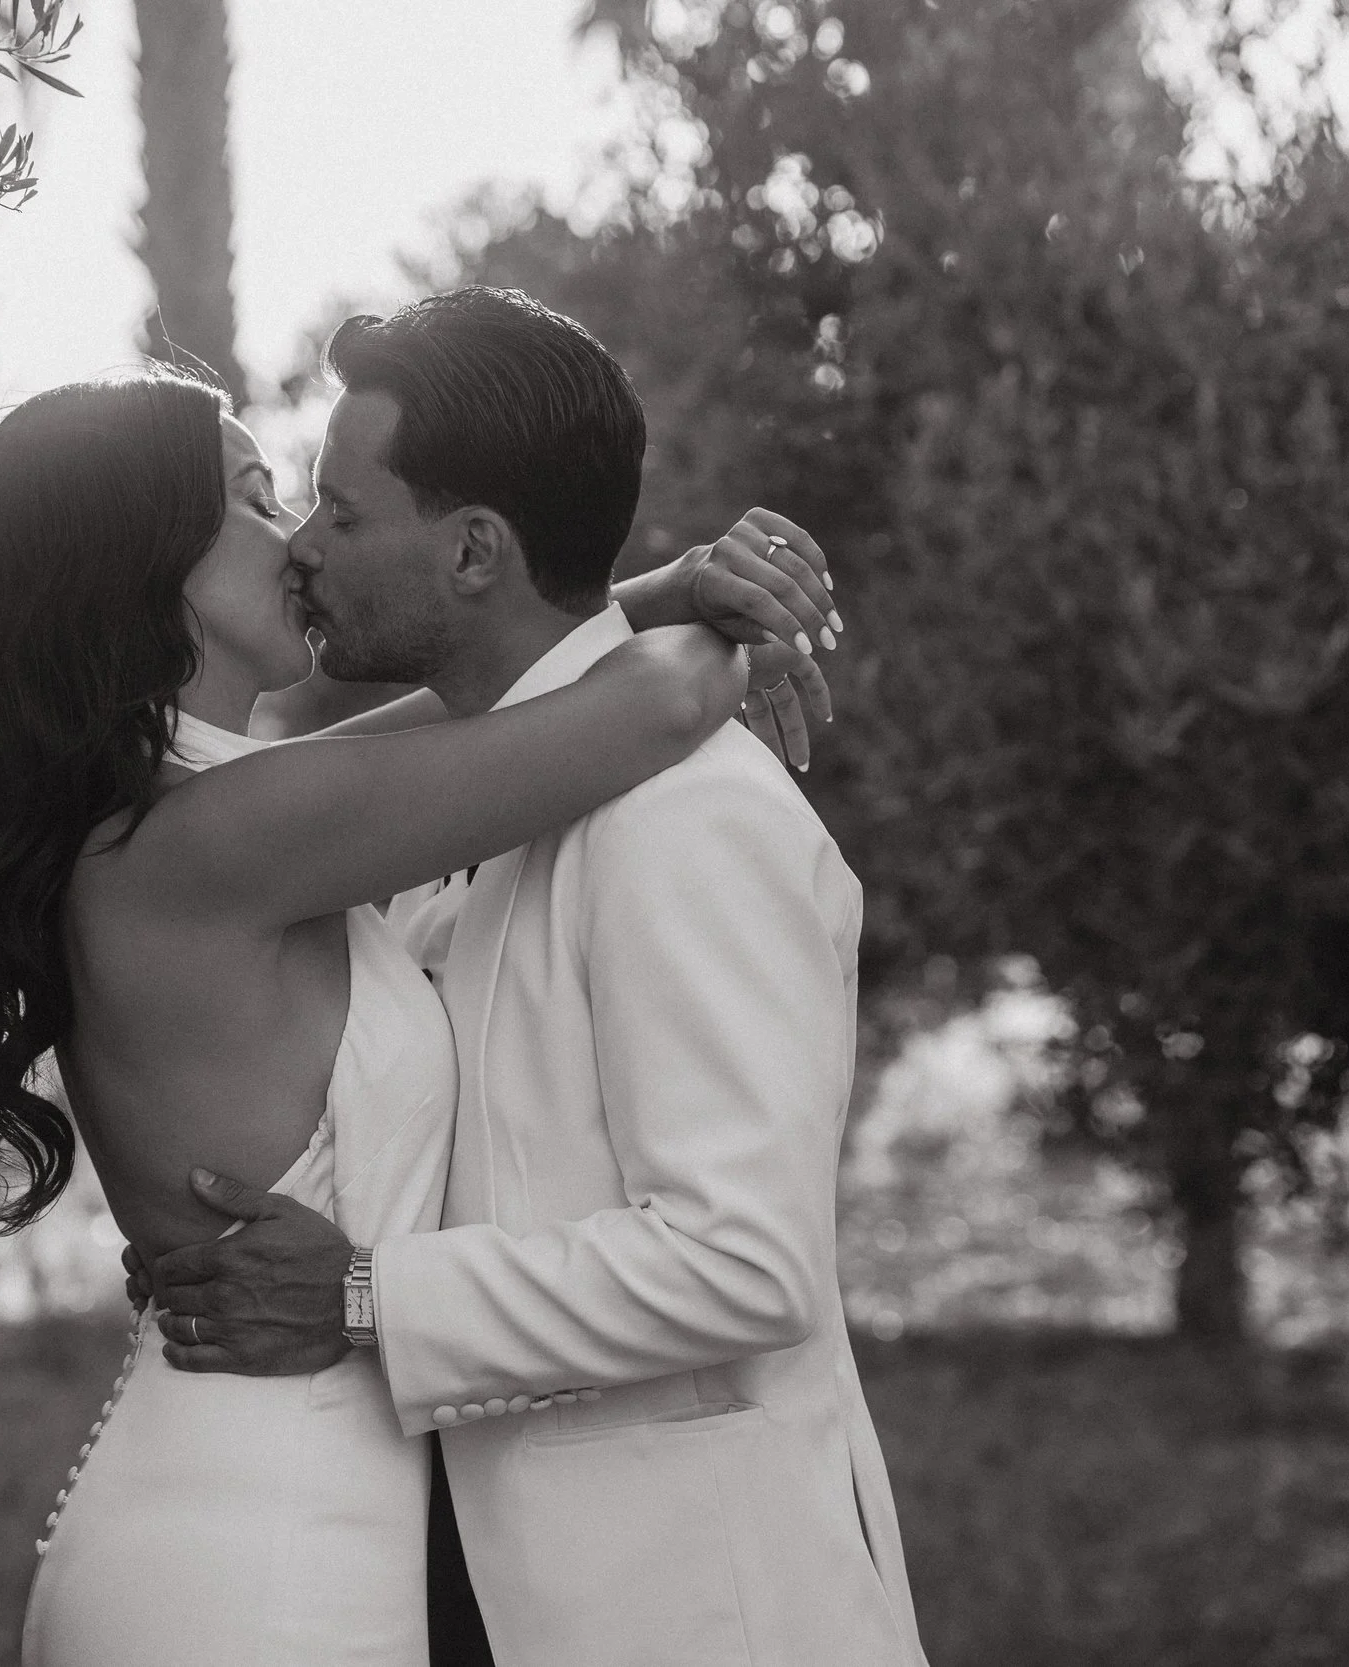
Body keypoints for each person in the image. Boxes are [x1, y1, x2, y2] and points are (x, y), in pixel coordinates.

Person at [0, 358, 837, 1666]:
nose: (305, 543)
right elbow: (641, 703)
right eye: (262, 500)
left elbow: (464, 706)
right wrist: (736, 621)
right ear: (153, 558)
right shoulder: (218, 833)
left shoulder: (203, 809)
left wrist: (659, 594)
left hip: (274, 1509)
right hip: (261, 1562)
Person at [133, 288, 931, 1667]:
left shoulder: (684, 816)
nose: (306, 550)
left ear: (473, 552)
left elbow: (746, 1260)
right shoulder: (470, 806)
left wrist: (366, 1295)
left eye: (340, 509)